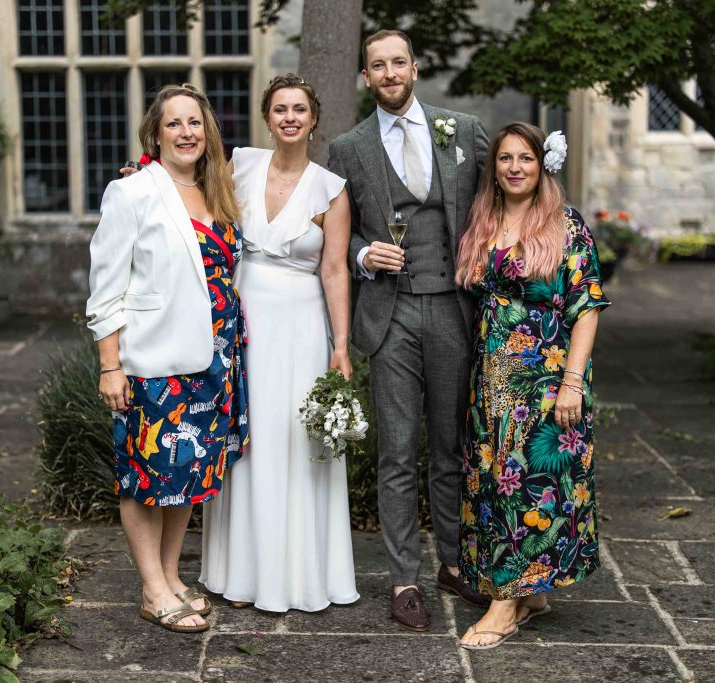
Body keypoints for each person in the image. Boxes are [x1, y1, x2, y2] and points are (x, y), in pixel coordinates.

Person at [327, 29, 491, 631]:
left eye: (399, 62)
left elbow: (495, 208)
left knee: (449, 447)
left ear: (415, 68)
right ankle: (403, 580)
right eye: (378, 65)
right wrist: (366, 256)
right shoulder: (348, 148)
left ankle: (452, 563)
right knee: (398, 451)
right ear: (366, 77)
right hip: (389, 316)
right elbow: (336, 238)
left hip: (453, 308)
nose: (390, 73)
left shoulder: (464, 130)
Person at [86, 83, 247, 634]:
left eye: (195, 123)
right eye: (174, 124)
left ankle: (174, 575)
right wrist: (111, 364)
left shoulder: (217, 190)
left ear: (209, 133)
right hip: (154, 358)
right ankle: (153, 590)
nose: (186, 133)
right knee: (146, 474)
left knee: (189, 473)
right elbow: (106, 287)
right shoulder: (132, 192)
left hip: (215, 356)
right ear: (155, 134)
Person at [199, 73, 360, 612]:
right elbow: (187, 197)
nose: (289, 117)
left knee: (294, 442)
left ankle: (297, 575)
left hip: (301, 327)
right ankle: (241, 573)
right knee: (246, 443)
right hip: (241, 323)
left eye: (299, 109)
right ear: (267, 118)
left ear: (313, 119)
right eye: (279, 110)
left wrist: (341, 345)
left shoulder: (330, 188)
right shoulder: (238, 165)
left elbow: (335, 270)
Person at [454, 122, 610, 649]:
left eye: (525, 157)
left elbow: (586, 307)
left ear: (542, 165)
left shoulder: (565, 225)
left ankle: (503, 606)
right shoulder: (485, 219)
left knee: (525, 486)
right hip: (492, 382)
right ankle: (531, 591)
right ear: (493, 169)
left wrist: (571, 383)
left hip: (546, 381)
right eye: (505, 159)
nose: (515, 167)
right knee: (492, 479)